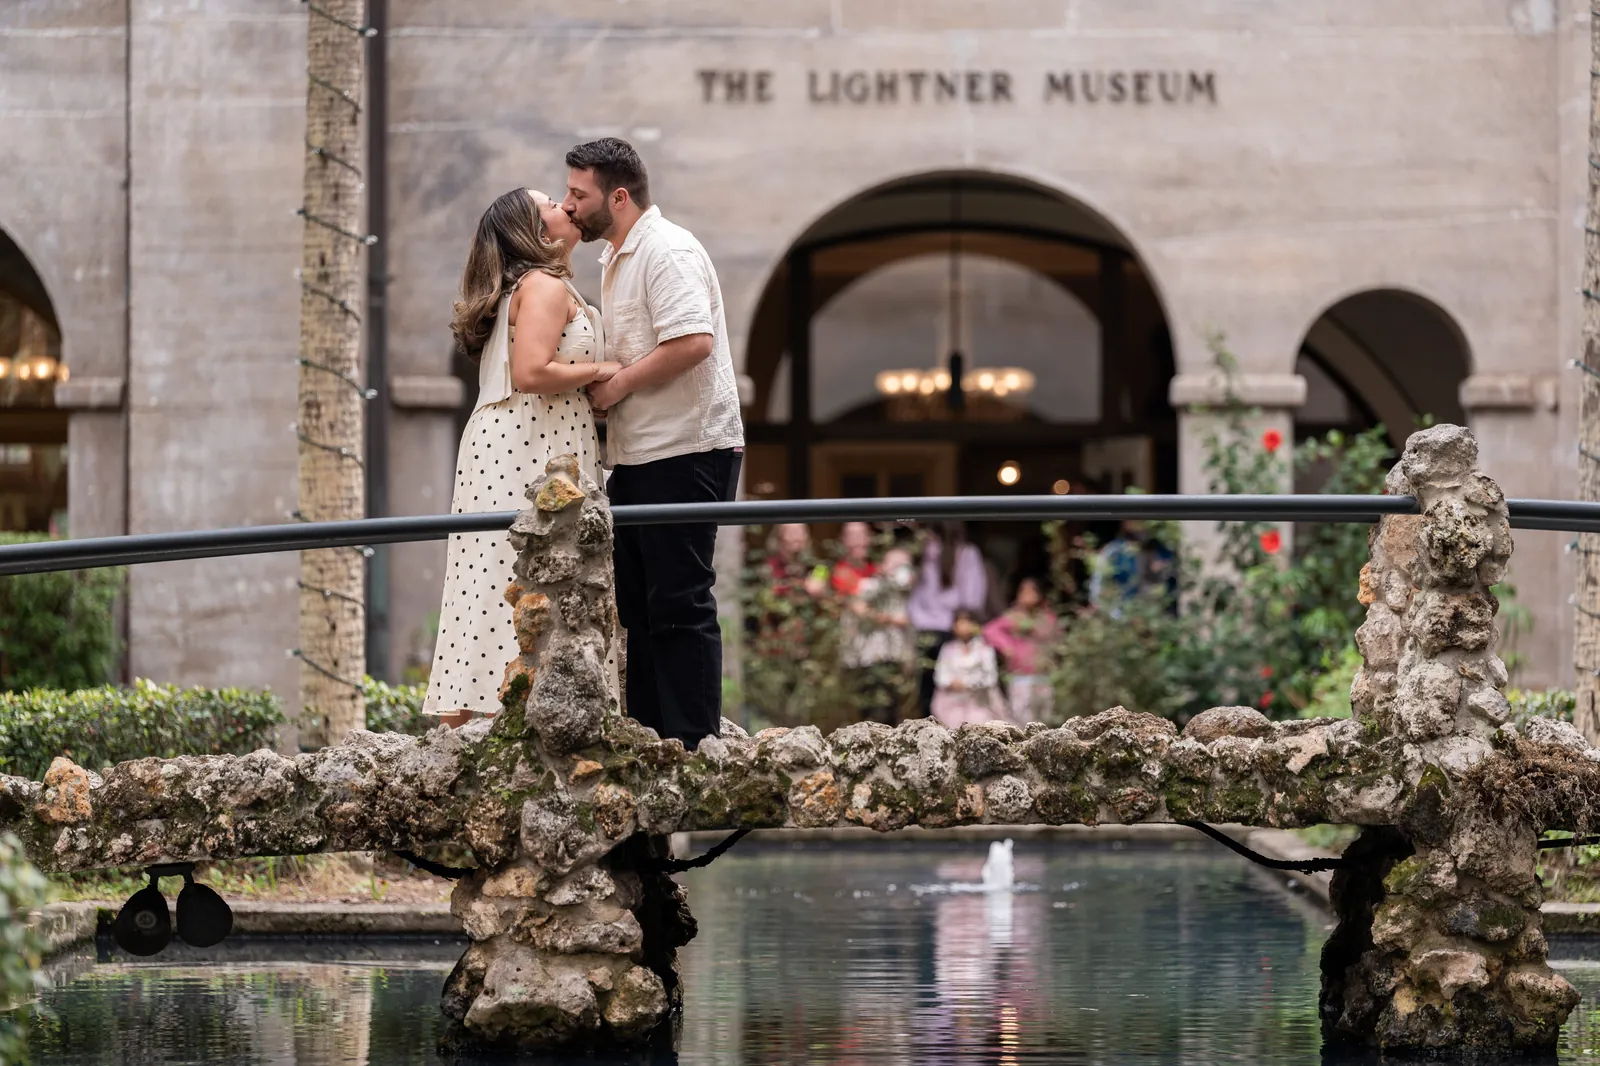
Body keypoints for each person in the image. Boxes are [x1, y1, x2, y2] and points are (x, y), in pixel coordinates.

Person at [562, 137, 744, 749]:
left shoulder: (666, 250)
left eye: (577, 194)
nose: (569, 206)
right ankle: (647, 741)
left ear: (618, 196)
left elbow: (694, 341)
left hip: (688, 448)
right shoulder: (616, 257)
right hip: (639, 454)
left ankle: (693, 746)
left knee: (680, 599)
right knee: (637, 607)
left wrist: (616, 388)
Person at [423, 188, 620, 725]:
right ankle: (491, 717)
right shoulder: (543, 285)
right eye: (552, 203)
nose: (567, 206)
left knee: (493, 576)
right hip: (524, 442)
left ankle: (477, 718)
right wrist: (600, 372)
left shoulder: (540, 287)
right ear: (532, 231)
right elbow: (533, 372)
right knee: (504, 576)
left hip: (522, 435)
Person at [907, 522, 989, 717]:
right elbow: (972, 597)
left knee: (942, 685)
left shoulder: (961, 554)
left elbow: (971, 597)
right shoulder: (926, 556)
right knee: (938, 688)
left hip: (942, 627)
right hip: (937, 627)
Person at [840, 544, 915, 725]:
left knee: (892, 707)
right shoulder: (870, 586)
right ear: (882, 565)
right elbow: (856, 607)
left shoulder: (906, 596)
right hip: (869, 657)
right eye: (895, 564)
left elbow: (908, 621)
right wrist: (884, 617)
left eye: (904, 565)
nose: (899, 570)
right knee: (869, 707)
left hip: (894, 656)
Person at [983, 577, 1058, 725]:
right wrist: (1007, 647)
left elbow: (1054, 635)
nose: (1027, 594)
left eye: (1032, 591)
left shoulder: (1047, 617)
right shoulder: (1013, 617)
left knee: (1045, 721)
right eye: (1023, 590)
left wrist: (1031, 628)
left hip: (1043, 676)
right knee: (1022, 722)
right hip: (1021, 677)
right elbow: (989, 631)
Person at [930, 609, 1005, 729]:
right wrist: (951, 683)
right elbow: (940, 675)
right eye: (960, 623)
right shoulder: (948, 648)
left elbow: (990, 677)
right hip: (951, 702)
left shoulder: (984, 649)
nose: (963, 627)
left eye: (967, 622)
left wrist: (968, 684)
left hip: (978, 702)